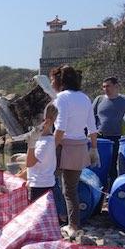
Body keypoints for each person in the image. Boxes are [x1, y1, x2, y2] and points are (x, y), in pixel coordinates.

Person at [50, 65, 98, 236]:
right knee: (71, 189)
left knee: (48, 182)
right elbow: (92, 127)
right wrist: (94, 148)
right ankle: (73, 225)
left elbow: (60, 127)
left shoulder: (61, 98)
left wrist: (50, 149)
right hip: (80, 146)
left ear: (59, 81)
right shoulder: (84, 98)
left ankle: (56, 219)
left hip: (62, 146)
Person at [92, 77, 125, 188]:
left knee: (112, 164)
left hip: (116, 137)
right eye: (104, 86)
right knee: (99, 164)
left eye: (108, 86)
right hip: (99, 136)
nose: (105, 89)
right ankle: (99, 187)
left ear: (116, 86)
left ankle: (112, 188)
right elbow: (90, 117)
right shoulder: (99, 99)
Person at [26, 104, 59, 202]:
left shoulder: (45, 143)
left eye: (34, 123)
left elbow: (30, 163)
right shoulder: (45, 140)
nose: (32, 127)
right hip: (43, 184)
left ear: (47, 122)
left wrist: (31, 144)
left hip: (39, 186)